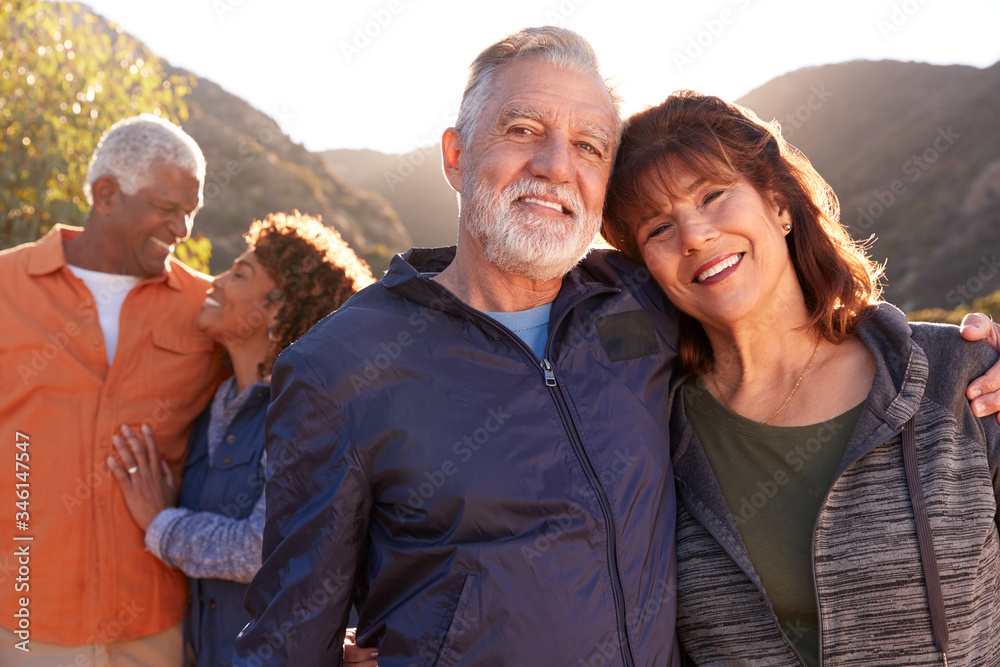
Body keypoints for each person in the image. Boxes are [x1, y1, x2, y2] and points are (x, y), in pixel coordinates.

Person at [234, 26, 683, 666]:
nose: (557, 165)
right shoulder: (340, 368)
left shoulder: (649, 304)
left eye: (588, 146)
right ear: (455, 155)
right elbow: (287, 641)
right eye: (524, 128)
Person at [601, 91, 1000, 665]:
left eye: (713, 194)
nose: (693, 235)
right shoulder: (648, 436)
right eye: (657, 229)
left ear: (779, 204)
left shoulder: (956, 378)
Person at [0, 114, 223, 664]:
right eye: (168, 209)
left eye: (191, 212)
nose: (183, 231)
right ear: (105, 194)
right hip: (25, 621)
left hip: (153, 625)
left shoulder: (209, 311)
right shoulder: (6, 288)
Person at [106, 212, 375, 666]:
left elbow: (267, 546)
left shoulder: (309, 411)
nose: (216, 281)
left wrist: (161, 524)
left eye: (239, 274)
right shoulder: (214, 400)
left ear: (277, 307)